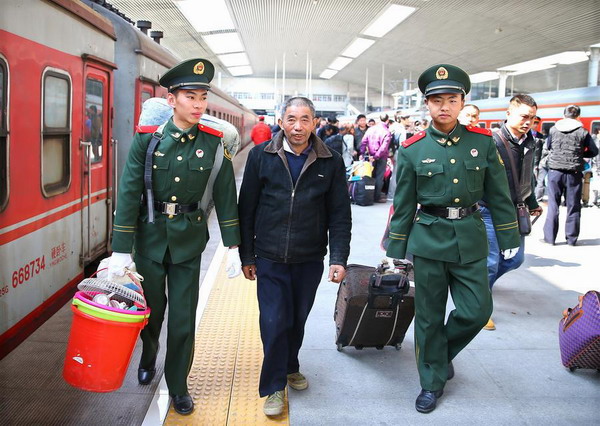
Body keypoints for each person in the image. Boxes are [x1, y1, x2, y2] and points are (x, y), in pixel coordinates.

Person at [107, 59, 242, 416]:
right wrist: (120, 251)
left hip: (188, 242)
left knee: (183, 318)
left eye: (201, 97)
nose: (198, 104)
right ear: (172, 100)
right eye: (189, 96)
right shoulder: (147, 141)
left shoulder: (214, 145)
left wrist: (232, 246)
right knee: (151, 313)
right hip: (149, 241)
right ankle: (149, 355)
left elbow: (227, 195)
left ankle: (178, 383)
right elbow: (128, 192)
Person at [385, 64, 520, 414]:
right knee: (429, 316)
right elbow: (403, 203)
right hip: (428, 239)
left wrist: (508, 234)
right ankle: (431, 381)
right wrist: (395, 249)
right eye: (436, 100)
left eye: (451, 99)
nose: (444, 106)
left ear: (462, 103)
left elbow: (499, 194)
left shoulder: (482, 143)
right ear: (426, 105)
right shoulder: (412, 149)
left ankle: (439, 353)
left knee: (478, 310)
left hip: (471, 238)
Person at [238, 97, 351, 417]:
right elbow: (246, 208)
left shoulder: (330, 160)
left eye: (304, 119)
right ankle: (274, 386)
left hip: (309, 257)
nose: (297, 127)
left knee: (296, 320)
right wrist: (247, 254)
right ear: (280, 120)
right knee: (274, 321)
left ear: (315, 122)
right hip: (270, 256)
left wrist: (338, 257)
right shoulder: (262, 155)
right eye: (291, 119)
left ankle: (290, 365)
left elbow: (340, 213)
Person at [479, 95, 543, 331]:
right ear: (509, 113)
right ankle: (481, 309)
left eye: (533, 118)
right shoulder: (492, 141)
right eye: (524, 116)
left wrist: (532, 200)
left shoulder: (530, 142)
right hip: (489, 210)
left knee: (515, 259)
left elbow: (527, 177)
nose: (529, 122)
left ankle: (478, 288)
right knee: (490, 262)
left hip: (517, 210)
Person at [543, 104, 598, 245]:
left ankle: (550, 238)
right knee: (573, 206)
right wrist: (580, 154)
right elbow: (594, 151)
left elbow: (549, 146)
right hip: (574, 173)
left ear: (564, 115)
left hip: (555, 172)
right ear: (578, 116)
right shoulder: (583, 132)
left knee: (553, 205)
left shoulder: (553, 129)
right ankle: (571, 239)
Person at [360, 113, 392, 203]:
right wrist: (376, 156)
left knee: (370, 176)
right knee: (379, 177)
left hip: (370, 155)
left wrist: (362, 153)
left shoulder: (371, 129)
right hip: (380, 157)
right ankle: (376, 197)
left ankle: (368, 195)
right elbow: (384, 147)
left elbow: (363, 141)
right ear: (387, 120)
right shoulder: (386, 131)